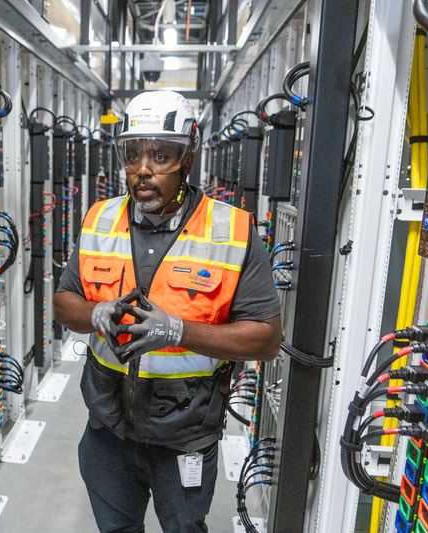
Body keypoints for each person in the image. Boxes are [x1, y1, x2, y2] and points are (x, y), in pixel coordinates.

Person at [53, 90, 281, 533]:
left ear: (189, 157)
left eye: (161, 155)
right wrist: (96, 312)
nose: (143, 168)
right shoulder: (100, 219)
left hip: (185, 432)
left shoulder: (231, 231)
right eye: (133, 153)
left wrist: (179, 331)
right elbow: (65, 301)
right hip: (107, 428)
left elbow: (266, 339)